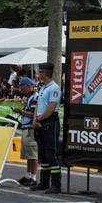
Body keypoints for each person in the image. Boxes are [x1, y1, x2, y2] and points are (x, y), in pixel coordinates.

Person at [32, 63, 62, 194]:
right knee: (42, 154)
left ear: (46, 73)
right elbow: (38, 104)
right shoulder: (43, 88)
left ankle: (56, 185)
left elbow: (51, 108)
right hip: (40, 122)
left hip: (49, 122)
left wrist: (39, 119)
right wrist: (35, 119)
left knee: (51, 154)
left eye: (41, 72)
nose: (39, 75)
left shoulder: (54, 88)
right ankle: (44, 183)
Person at [11, 77, 39, 187]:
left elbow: (33, 114)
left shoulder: (35, 97)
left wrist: (21, 111)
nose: (22, 91)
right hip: (26, 127)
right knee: (28, 154)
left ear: (28, 86)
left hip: (31, 128)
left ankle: (33, 177)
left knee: (32, 154)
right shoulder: (30, 97)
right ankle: (28, 175)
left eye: (23, 88)